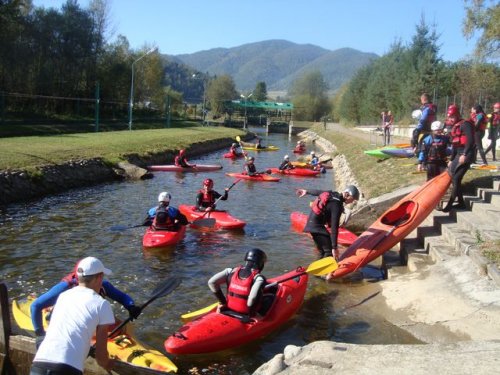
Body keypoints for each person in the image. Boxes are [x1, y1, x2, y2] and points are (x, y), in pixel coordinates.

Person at [30, 257, 116, 374]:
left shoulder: (63, 296)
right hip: (67, 369)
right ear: (99, 277)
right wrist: (108, 363)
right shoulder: (102, 304)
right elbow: (101, 358)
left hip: (39, 365)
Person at [30, 259, 141, 348]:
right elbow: (35, 306)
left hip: (86, 319)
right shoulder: (65, 287)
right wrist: (40, 335)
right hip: (67, 320)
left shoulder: (103, 285)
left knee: (116, 325)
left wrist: (131, 307)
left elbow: (122, 297)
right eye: (101, 275)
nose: (102, 278)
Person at [296, 185, 360, 259]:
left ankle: (317, 267)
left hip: (312, 224)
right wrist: (334, 247)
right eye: (353, 199)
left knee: (322, 251)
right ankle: (326, 269)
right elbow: (334, 227)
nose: (352, 201)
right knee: (329, 252)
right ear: (347, 194)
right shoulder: (337, 204)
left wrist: (306, 191)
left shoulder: (333, 194)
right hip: (317, 227)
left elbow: (318, 192)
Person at [208, 248, 268, 320]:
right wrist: (252, 315)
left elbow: (211, 282)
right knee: (269, 299)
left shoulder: (230, 271)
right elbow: (252, 298)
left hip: (228, 309)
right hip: (245, 315)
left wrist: (222, 302)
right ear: (261, 263)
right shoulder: (259, 278)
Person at [442, 105, 475, 212]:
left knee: (456, 178)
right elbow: (455, 145)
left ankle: (450, 204)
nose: (450, 119)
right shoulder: (455, 126)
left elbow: (470, 141)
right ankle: (461, 203)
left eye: (452, 116)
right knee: (454, 176)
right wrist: (451, 160)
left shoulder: (465, 125)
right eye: (449, 117)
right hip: (458, 153)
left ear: (457, 115)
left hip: (468, 153)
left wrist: (464, 155)